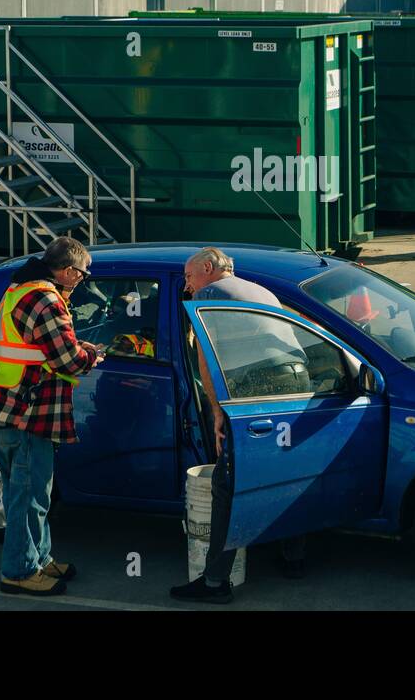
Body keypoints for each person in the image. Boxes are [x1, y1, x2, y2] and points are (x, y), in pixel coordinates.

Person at [169, 246, 309, 605]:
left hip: (260, 384)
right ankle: (293, 558)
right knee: (285, 470)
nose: (187, 287)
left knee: (228, 480)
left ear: (207, 267)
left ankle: (215, 582)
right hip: (297, 379)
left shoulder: (209, 294)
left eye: (188, 277)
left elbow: (206, 358)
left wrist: (217, 412)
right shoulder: (259, 290)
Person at [0, 236, 104, 596]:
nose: (82, 280)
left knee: (29, 495)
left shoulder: (19, 290)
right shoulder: (46, 299)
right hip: (29, 413)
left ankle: (39, 559)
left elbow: (38, 348)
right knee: (30, 498)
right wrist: (91, 356)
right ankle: (18, 571)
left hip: (5, 407)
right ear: (67, 271)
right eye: (81, 274)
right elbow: (67, 360)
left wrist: (78, 348)